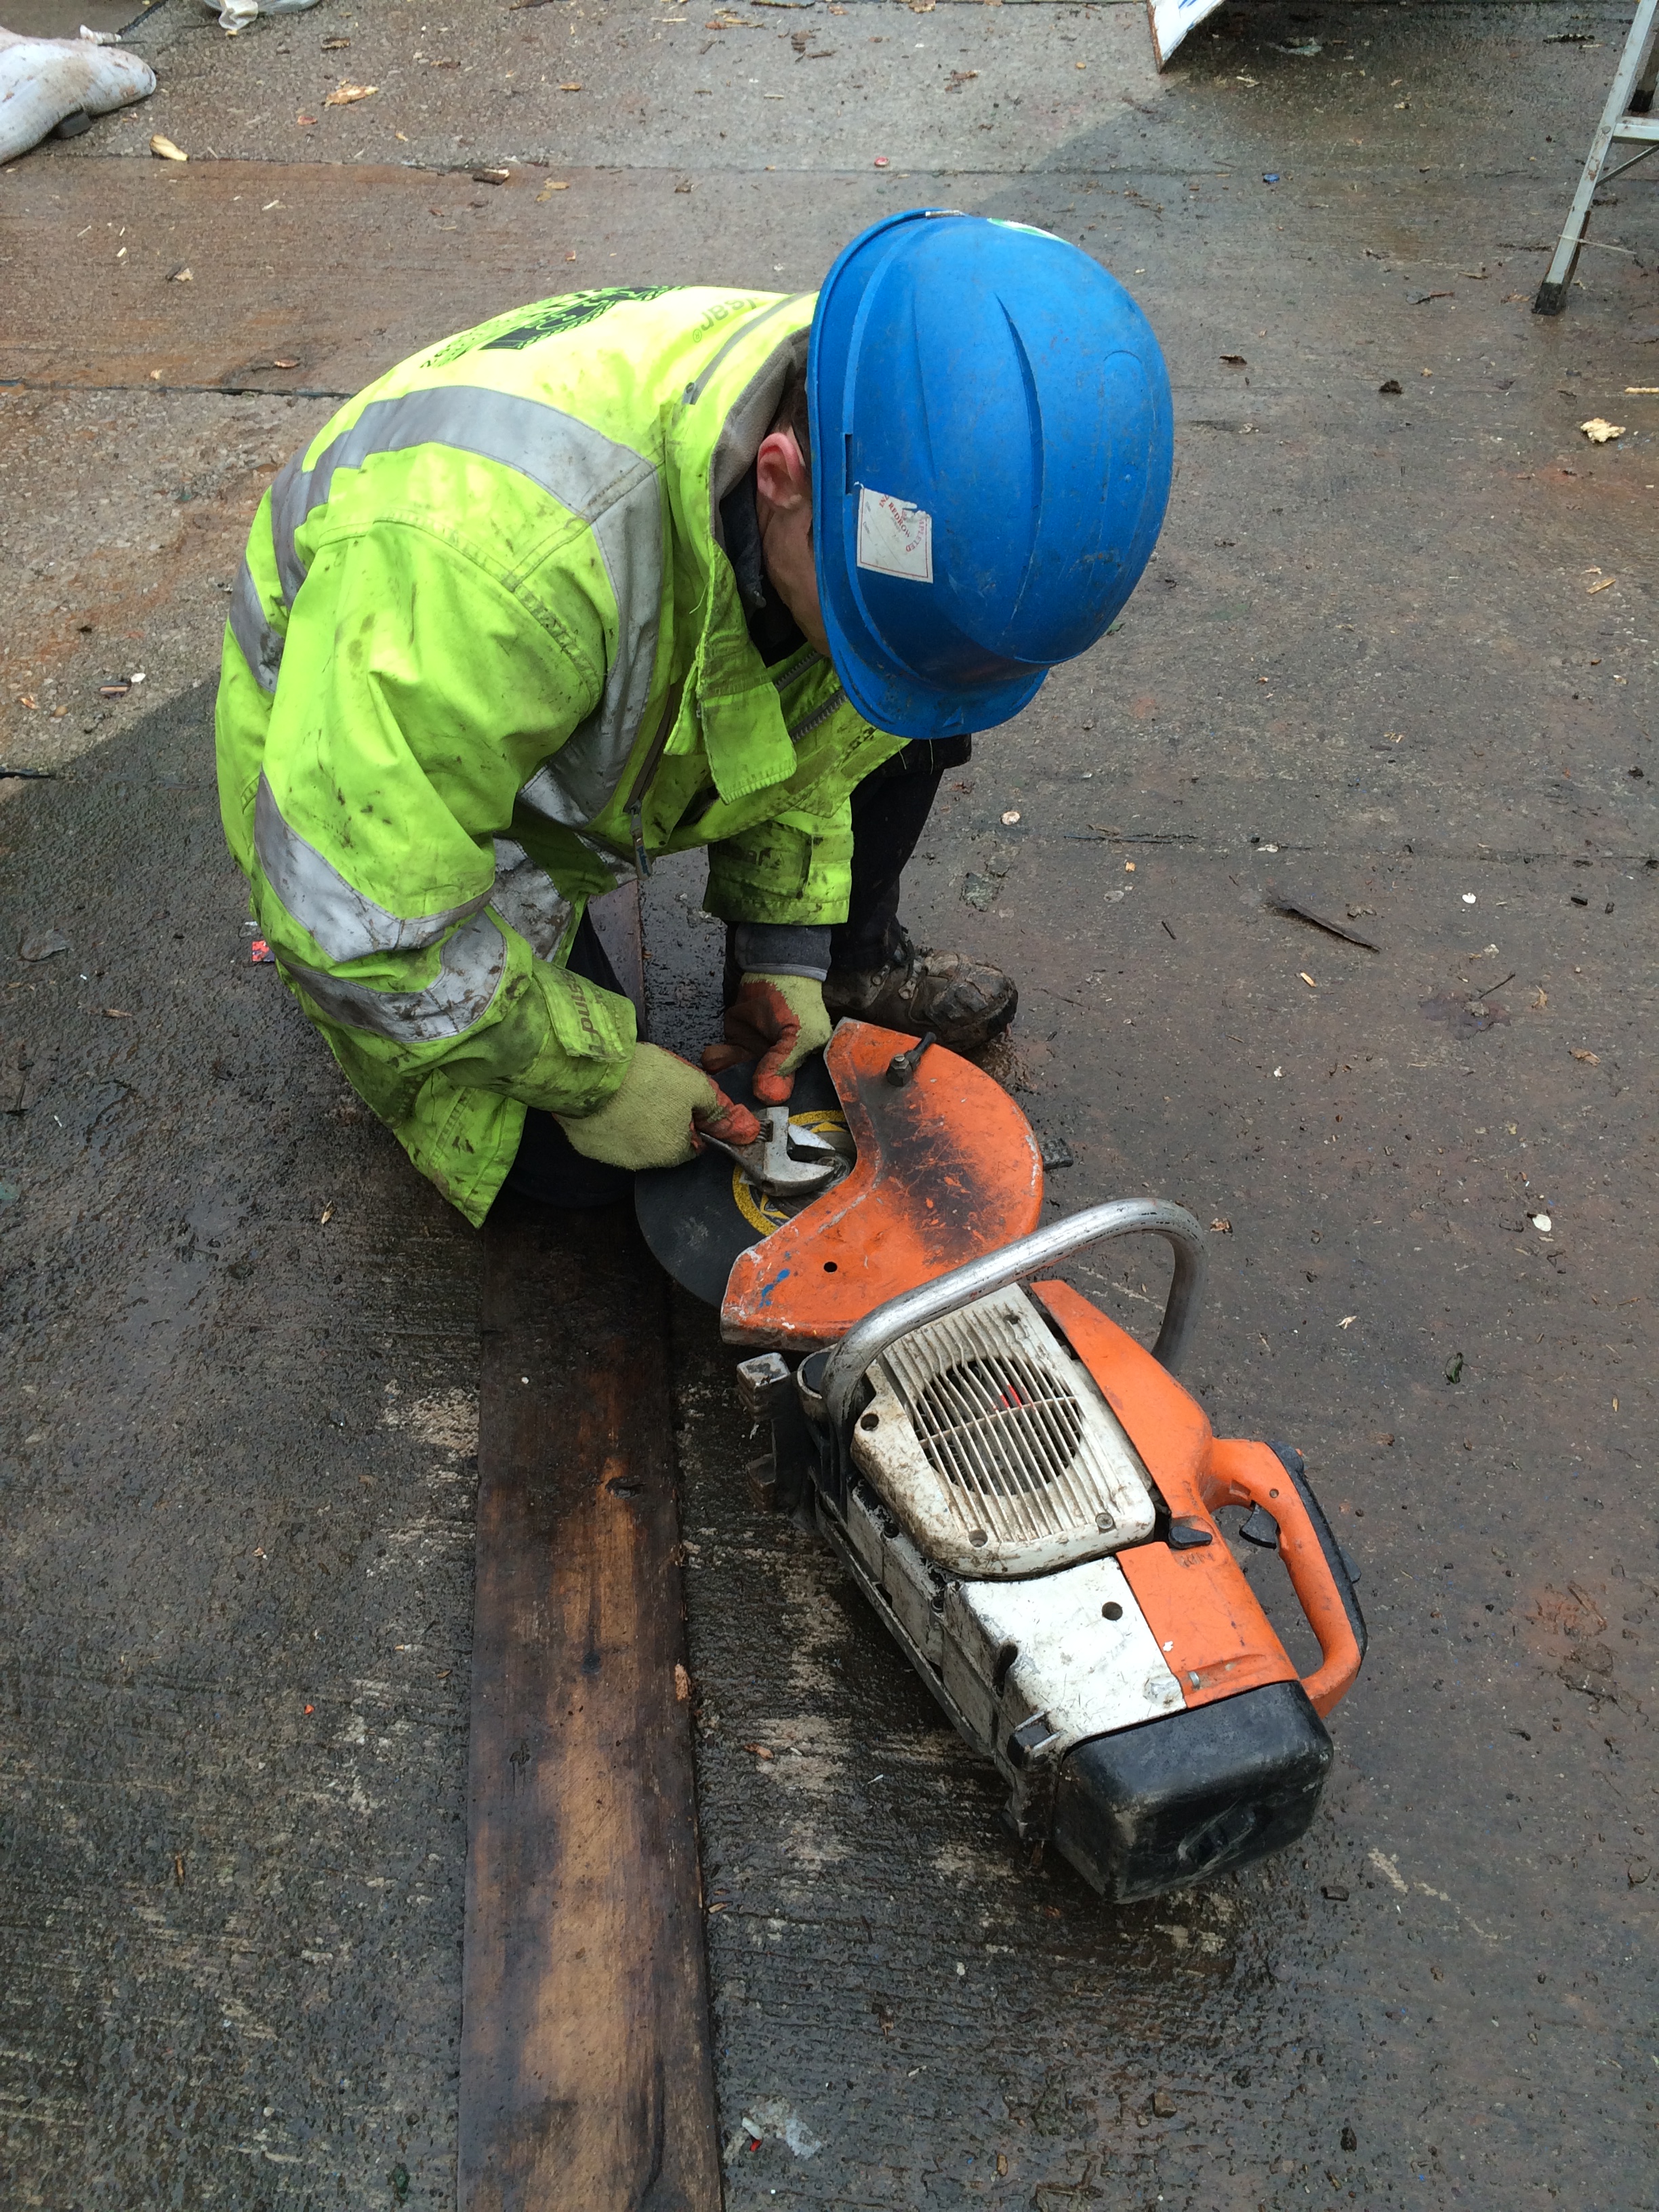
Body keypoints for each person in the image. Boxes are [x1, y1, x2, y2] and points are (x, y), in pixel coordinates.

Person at [215, 209, 1172, 1221]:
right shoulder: (482, 577)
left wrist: (786, 951)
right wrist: (591, 1072)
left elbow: (819, 729)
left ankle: (844, 964)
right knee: (580, 1176)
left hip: (564, 641)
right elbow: (352, 917)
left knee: (911, 692)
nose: (858, 667)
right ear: (778, 477)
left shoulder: (898, 412)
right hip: (364, 749)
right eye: (853, 627)